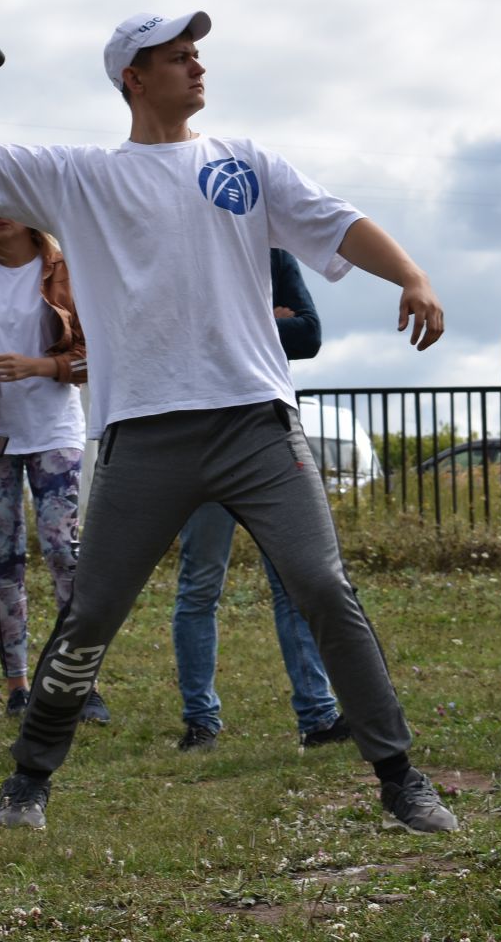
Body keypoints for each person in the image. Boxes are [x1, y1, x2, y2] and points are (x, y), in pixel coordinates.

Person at [0, 0, 458, 834]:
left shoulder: (247, 162)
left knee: (323, 584)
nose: (198, 62)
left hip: (256, 423)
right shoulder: (84, 178)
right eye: (178, 54)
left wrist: (412, 275)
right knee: (93, 611)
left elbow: (340, 223)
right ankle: (30, 775)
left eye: (197, 51)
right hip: (144, 435)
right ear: (134, 79)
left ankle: (398, 776)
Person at [172, 248, 348, 751]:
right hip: (200, 436)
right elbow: (177, 339)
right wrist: (263, 320)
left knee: (294, 584)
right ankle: (200, 719)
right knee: (200, 585)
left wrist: (220, 328)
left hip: (264, 437)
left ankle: (318, 718)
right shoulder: (182, 253)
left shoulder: (273, 256)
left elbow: (309, 336)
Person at [0, 203, 105, 723]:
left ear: (29, 212)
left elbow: (97, 354)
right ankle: (18, 686)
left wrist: (40, 366)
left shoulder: (69, 268)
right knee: (5, 559)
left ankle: (78, 684)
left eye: (4, 206)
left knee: (64, 551)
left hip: (56, 433)